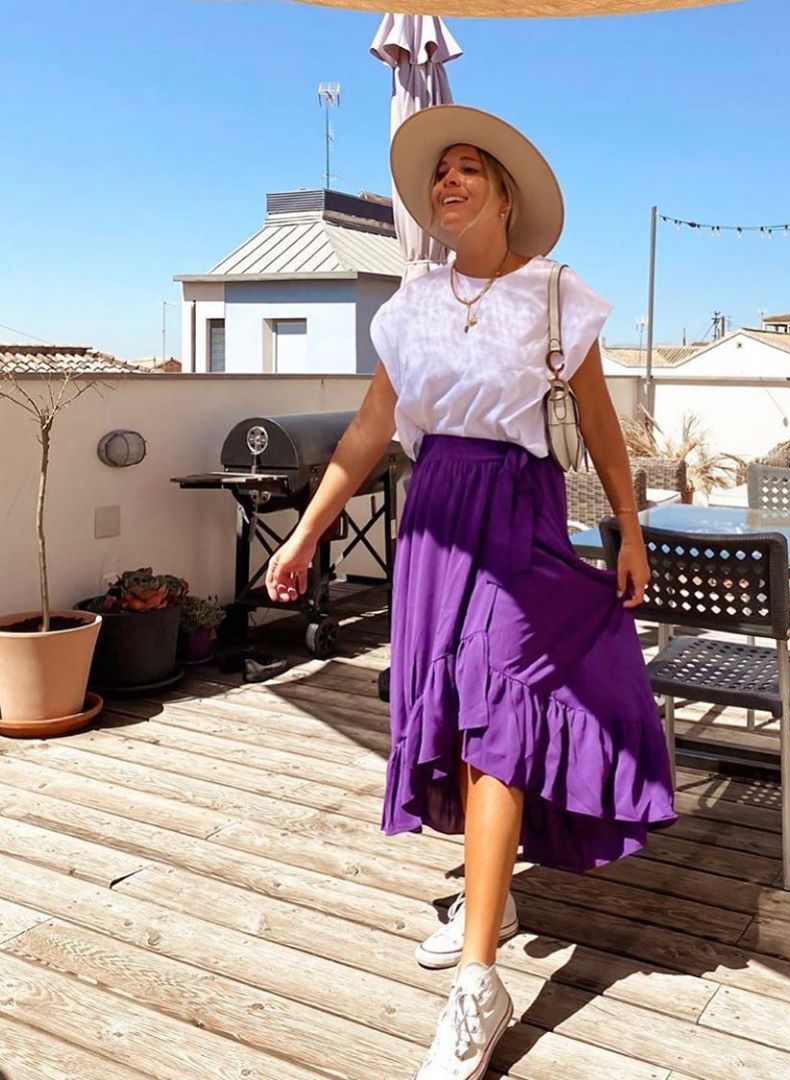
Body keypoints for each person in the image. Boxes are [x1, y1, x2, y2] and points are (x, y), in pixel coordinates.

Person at [266, 104, 676, 1080]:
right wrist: (307, 530)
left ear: (505, 192)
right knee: (452, 716)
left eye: (465, 170)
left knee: (496, 708)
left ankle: (478, 984)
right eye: (437, 174)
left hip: (520, 512)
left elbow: (602, 424)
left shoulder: (557, 295)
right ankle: (496, 897)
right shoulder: (407, 307)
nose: (446, 184)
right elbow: (371, 432)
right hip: (436, 517)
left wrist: (630, 525)